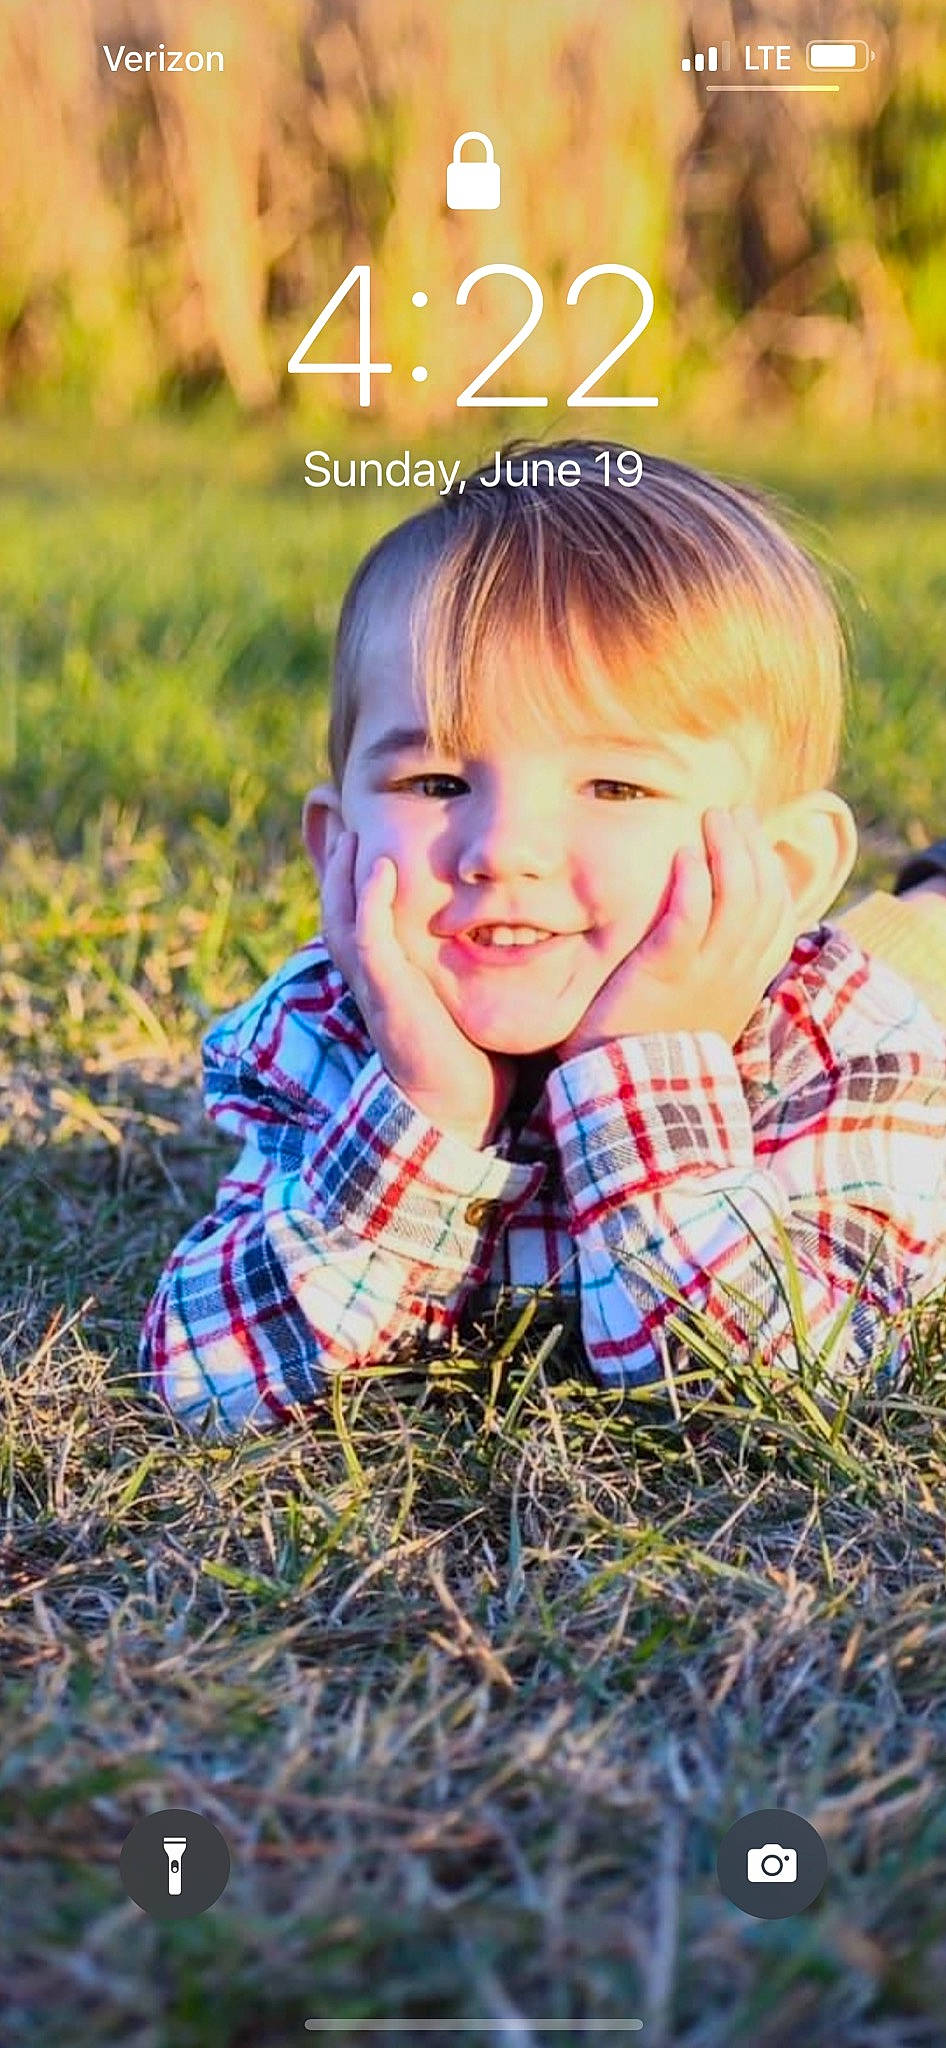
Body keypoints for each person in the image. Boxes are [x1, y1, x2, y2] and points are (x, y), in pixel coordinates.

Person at [138, 441, 946, 1436]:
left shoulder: (840, 1045)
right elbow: (211, 1378)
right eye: (436, 782)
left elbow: (787, 1392)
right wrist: (427, 1108)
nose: (501, 850)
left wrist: (638, 1070)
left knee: (921, 946)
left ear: (779, 869)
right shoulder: (330, 1027)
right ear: (337, 842)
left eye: (614, 786)